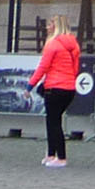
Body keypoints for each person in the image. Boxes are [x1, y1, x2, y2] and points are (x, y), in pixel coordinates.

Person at [29, 13, 80, 167]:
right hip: (69, 88)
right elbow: (75, 69)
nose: (47, 27)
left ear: (56, 26)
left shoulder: (52, 44)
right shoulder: (74, 45)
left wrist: (30, 85)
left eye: (50, 24)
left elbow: (43, 67)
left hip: (54, 87)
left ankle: (60, 157)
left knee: (53, 122)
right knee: (55, 120)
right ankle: (51, 154)